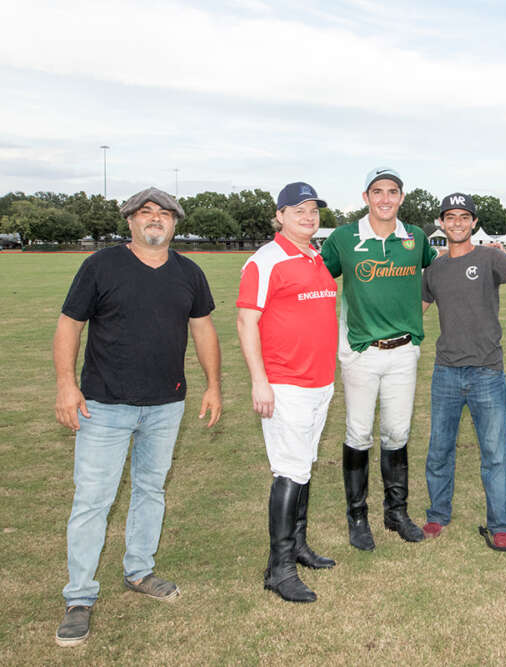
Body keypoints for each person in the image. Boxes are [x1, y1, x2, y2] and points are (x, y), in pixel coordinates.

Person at [53, 187, 222, 647]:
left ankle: (139, 572)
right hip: (104, 406)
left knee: (150, 489)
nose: (155, 219)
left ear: (174, 224)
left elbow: (203, 327)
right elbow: (70, 324)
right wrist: (67, 385)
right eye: (145, 212)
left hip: (166, 406)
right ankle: (79, 598)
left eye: (165, 214)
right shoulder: (101, 266)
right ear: (129, 221)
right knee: (93, 499)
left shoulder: (189, 272)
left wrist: (213, 385)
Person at [320, 167, 435, 550]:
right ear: (366, 196)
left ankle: (395, 511)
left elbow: (439, 276)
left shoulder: (415, 238)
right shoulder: (343, 238)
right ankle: (357, 517)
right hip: (361, 351)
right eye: (378, 192)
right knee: (358, 433)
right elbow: (316, 280)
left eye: (393, 192)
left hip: (404, 351)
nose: (385, 198)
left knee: (398, 432)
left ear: (402, 197)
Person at [236, 182, 338, 603]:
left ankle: (297, 546)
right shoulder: (266, 260)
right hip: (285, 383)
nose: (309, 217)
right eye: (298, 210)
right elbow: (246, 322)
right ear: (279, 216)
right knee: (290, 469)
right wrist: (260, 381)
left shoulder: (316, 257)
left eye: (313, 210)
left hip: (319, 382)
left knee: (304, 465)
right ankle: (278, 569)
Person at [420, 193, 506, 547]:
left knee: (495, 453)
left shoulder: (490, 256)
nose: (457, 222)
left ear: (473, 222)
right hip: (445, 372)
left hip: (487, 373)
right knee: (439, 451)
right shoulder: (434, 270)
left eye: (464, 216)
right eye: (451, 216)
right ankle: (437, 516)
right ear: (442, 223)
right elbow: (418, 311)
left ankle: (500, 524)